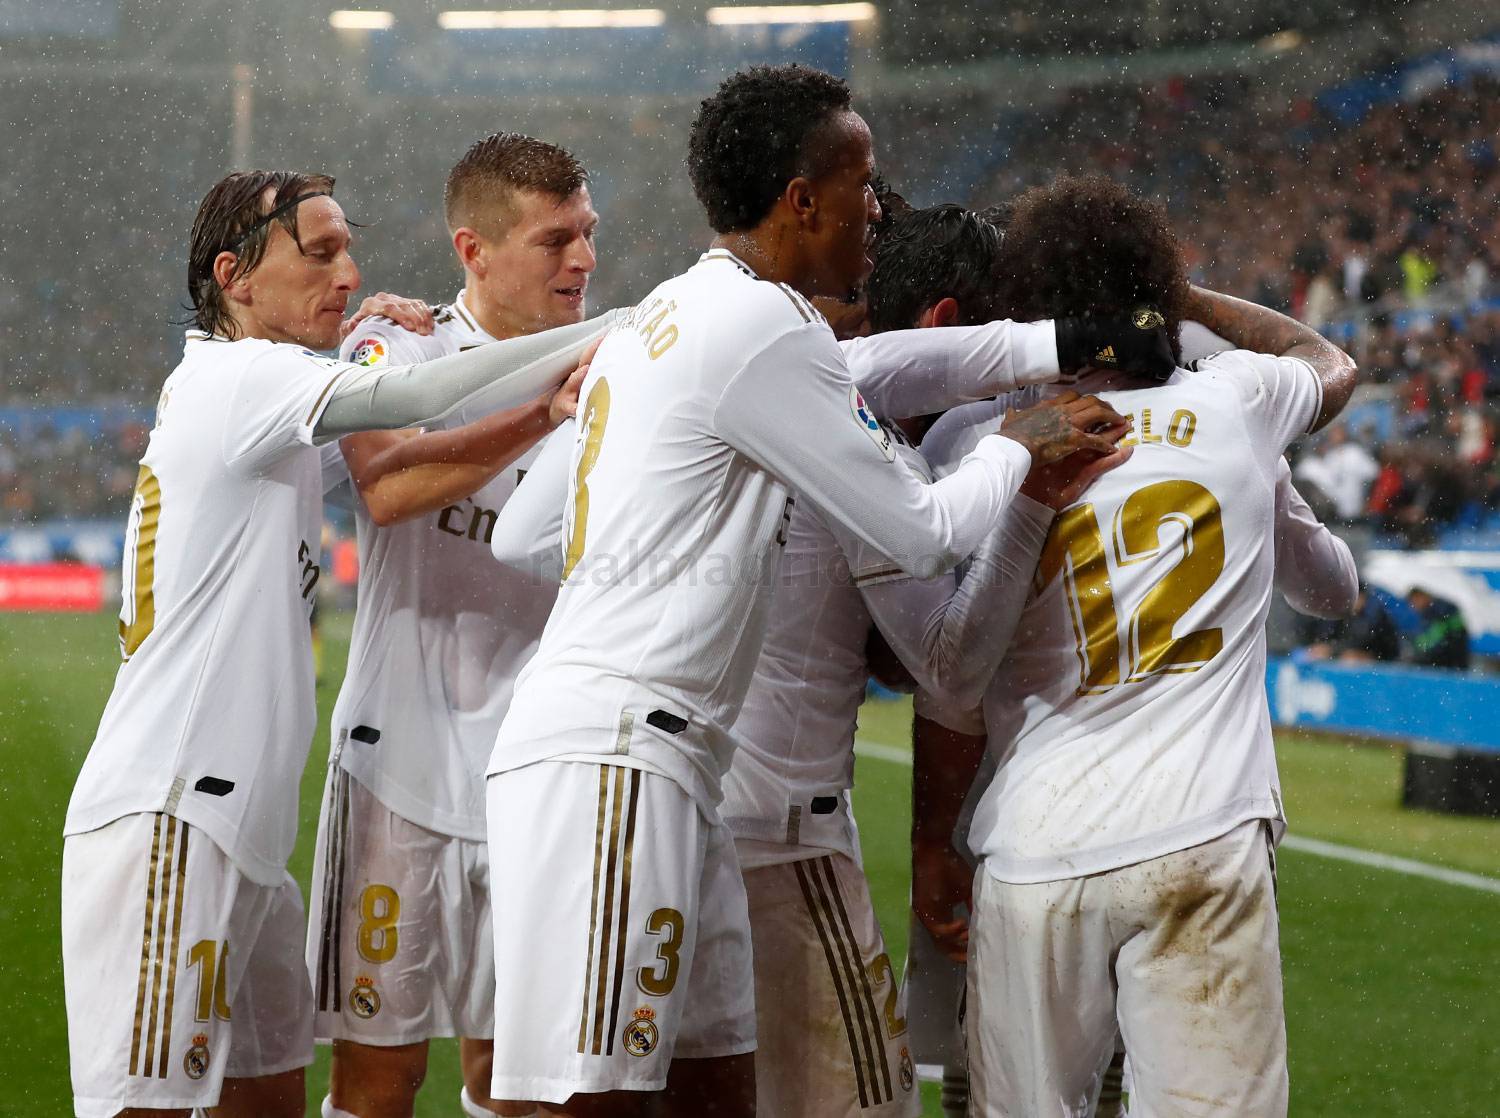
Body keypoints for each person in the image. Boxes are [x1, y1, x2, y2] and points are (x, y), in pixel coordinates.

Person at [481, 67, 1155, 1118]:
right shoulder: (764, 329)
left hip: (660, 762)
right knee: (589, 1101)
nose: (875, 208)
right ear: (802, 201)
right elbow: (923, 533)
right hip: (619, 757)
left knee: (716, 1087)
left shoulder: (666, 316)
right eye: (862, 183)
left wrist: (1065, 344)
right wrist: (1020, 444)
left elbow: (526, 534)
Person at [60, 169, 621, 1118]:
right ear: (235, 276)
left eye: (348, 252)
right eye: (320, 254)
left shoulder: (262, 408)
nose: (350, 274)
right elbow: (423, 392)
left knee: (269, 1098)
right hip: (172, 811)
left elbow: (396, 463)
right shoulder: (241, 379)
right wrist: (620, 336)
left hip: (242, 836)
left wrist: (386, 342)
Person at [909, 175, 1357, 1117]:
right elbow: (1327, 361)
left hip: (1035, 848)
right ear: (1159, 288)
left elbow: (951, 677)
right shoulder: (1239, 401)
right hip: (1204, 830)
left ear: (1030, 308)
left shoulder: (985, 442)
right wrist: (1186, 298)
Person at [720, 202, 1127, 1118]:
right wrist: (1026, 481)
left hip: (670, 790)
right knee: (882, 1100)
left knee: (697, 1088)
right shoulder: (868, 437)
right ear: (949, 328)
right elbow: (942, 665)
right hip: (784, 827)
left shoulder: (721, 386)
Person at [306, 133, 598, 1118]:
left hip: (538, 774)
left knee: (518, 1082)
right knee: (377, 1079)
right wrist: (543, 415)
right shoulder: (400, 348)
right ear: (474, 250)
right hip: (399, 770)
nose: (583, 258)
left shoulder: (614, 368)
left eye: (587, 232)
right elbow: (387, 488)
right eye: (555, 239)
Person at [1301, 581, 1401, 663]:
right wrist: (1325, 647)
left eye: (1353, 598)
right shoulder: (1343, 614)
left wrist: (1333, 650)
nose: (1349, 601)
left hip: (1382, 660)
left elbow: (1362, 642)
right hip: (1355, 656)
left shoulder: (1374, 615)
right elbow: (1330, 635)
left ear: (1363, 598)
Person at [1406, 585, 1470, 669]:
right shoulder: (1428, 612)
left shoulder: (1441, 609)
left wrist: (1418, 647)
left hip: (1451, 661)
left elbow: (1438, 639)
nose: (1414, 606)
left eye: (1415, 601)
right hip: (1447, 660)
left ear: (1422, 596)